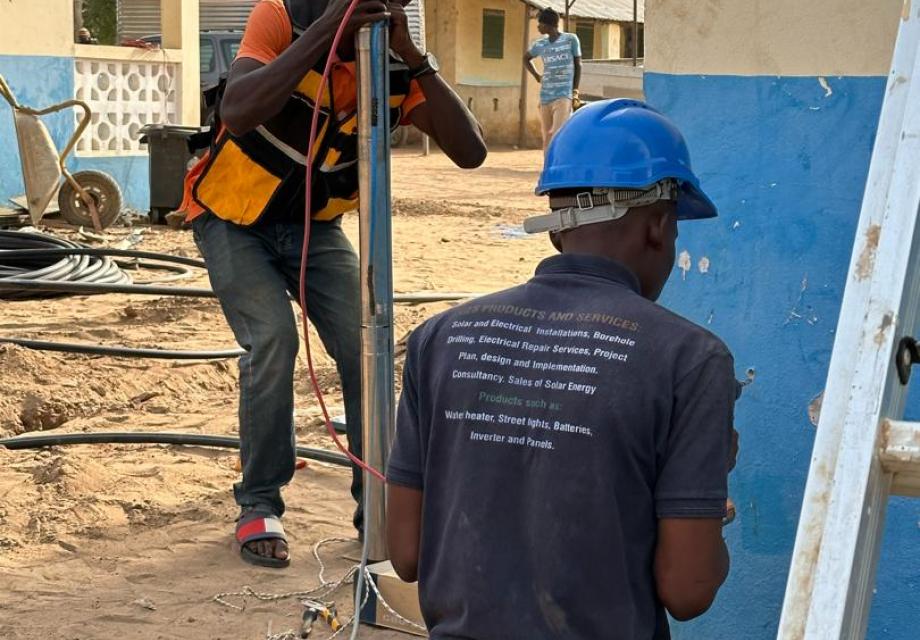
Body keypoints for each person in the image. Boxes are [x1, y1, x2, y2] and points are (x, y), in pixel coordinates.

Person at [386, 99, 740, 639]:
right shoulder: (689, 360)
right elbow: (688, 590)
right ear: (660, 226)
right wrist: (704, 505)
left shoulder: (441, 337)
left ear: (556, 228)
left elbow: (406, 553)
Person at [179, 0, 486, 568]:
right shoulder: (280, 16)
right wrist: (323, 34)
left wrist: (415, 58)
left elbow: (471, 152)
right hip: (229, 214)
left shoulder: (392, 62)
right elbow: (240, 110)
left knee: (365, 346)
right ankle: (259, 504)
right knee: (273, 339)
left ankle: (380, 509)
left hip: (314, 230)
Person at [523, 8, 582, 151]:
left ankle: (559, 168)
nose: (538, 27)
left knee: (558, 134)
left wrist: (575, 91)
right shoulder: (540, 44)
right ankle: (548, 169)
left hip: (563, 96)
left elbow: (578, 65)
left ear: (549, 25)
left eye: (540, 23)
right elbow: (526, 58)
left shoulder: (570, 39)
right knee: (547, 138)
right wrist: (537, 76)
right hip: (545, 97)